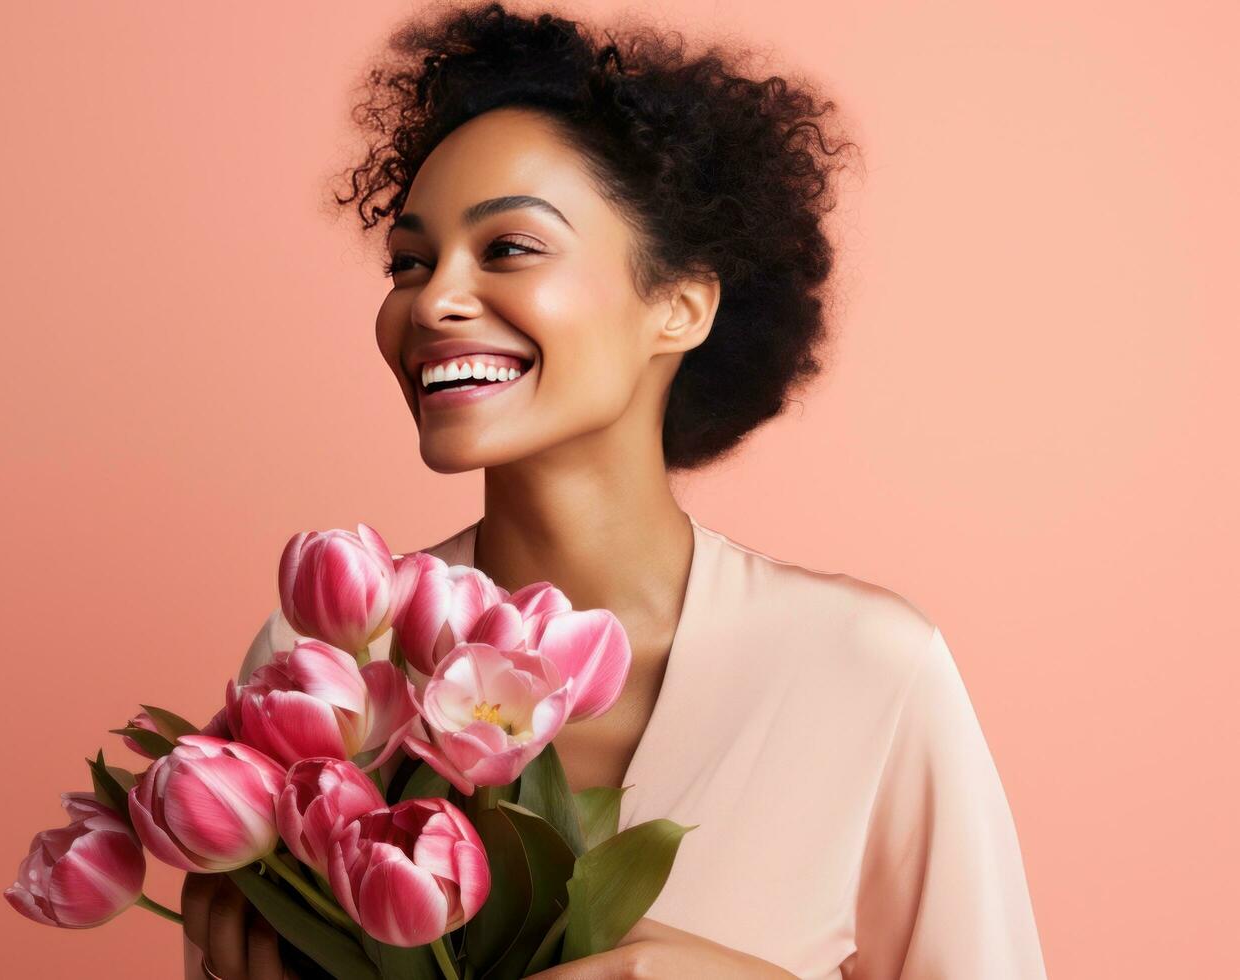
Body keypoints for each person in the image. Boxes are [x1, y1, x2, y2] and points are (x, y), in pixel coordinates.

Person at [180, 4, 1046, 977]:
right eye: (409, 263)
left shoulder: (863, 670)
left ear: (677, 306)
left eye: (507, 247)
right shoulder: (326, 664)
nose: (429, 301)